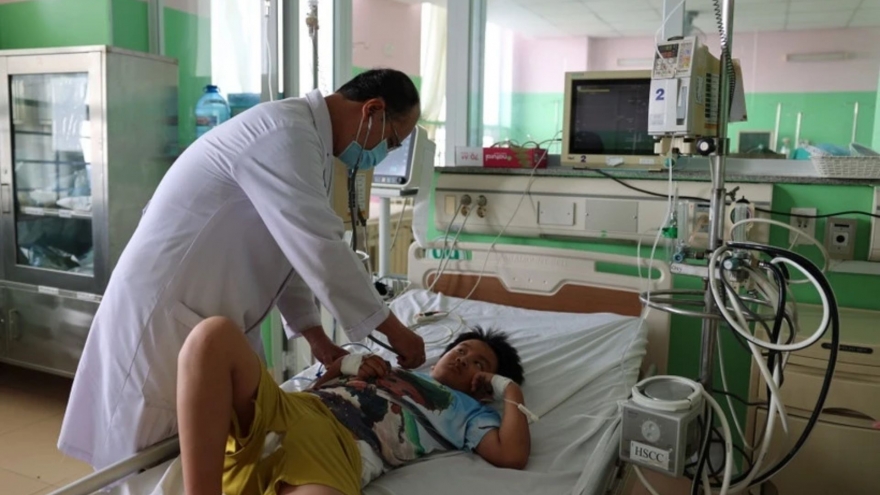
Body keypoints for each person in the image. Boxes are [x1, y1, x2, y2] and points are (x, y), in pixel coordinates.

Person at [59, 69, 428, 469]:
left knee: (207, 450)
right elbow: (321, 249)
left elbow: (289, 252)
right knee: (146, 456)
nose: (383, 153)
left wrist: (319, 342)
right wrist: (396, 332)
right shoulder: (283, 133)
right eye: (391, 141)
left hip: (208, 316)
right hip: (163, 317)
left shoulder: (307, 144)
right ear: (372, 110)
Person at [177, 318, 531, 495]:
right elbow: (316, 385)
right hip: (294, 409)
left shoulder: (469, 410)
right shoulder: (390, 369)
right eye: (461, 350)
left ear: (485, 386)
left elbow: (512, 455)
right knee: (213, 335)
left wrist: (509, 389)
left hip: (339, 449)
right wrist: (347, 366)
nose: (463, 359)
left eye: (478, 364)